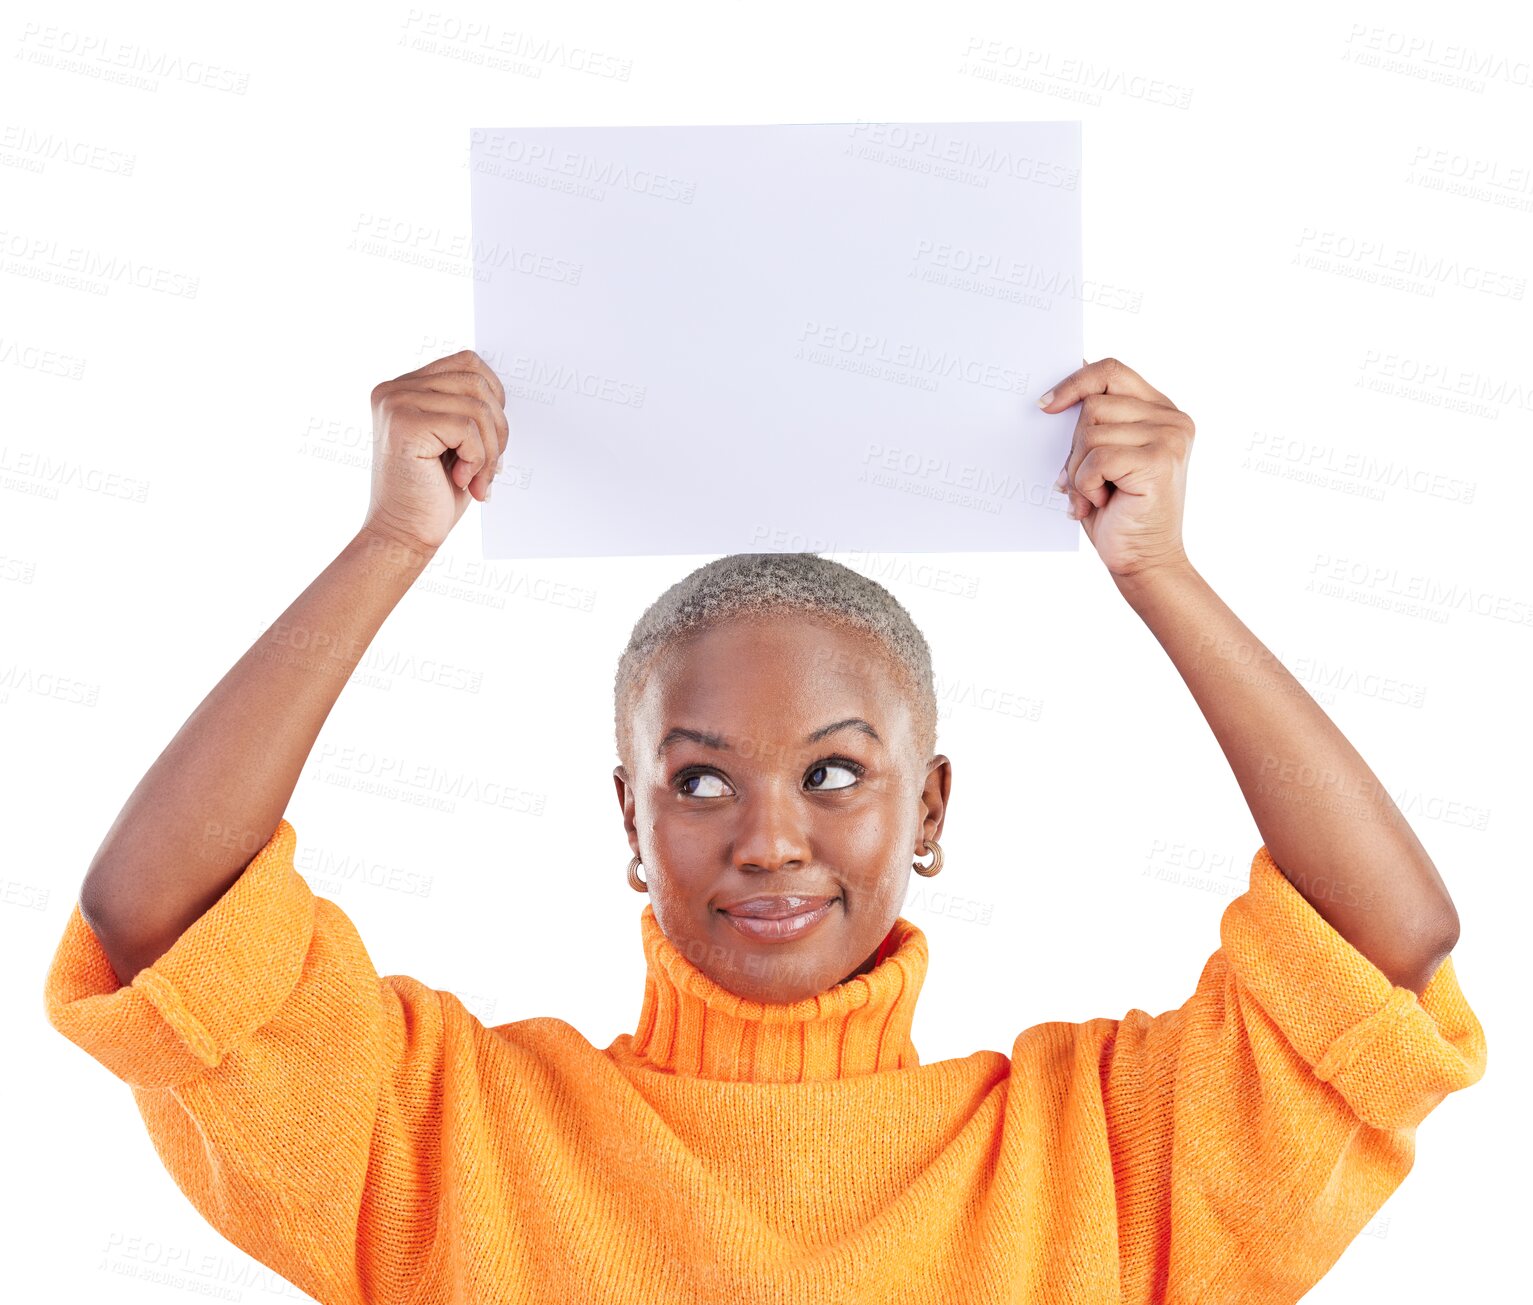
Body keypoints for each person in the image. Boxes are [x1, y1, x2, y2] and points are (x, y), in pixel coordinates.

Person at [43, 350, 1486, 1304]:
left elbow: (1383, 957)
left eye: (838, 773)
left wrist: (1160, 567)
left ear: (929, 806)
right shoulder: (458, 1135)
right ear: (630, 815)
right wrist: (389, 542)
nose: (770, 839)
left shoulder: (1095, 1154)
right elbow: (159, 922)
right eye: (701, 779)